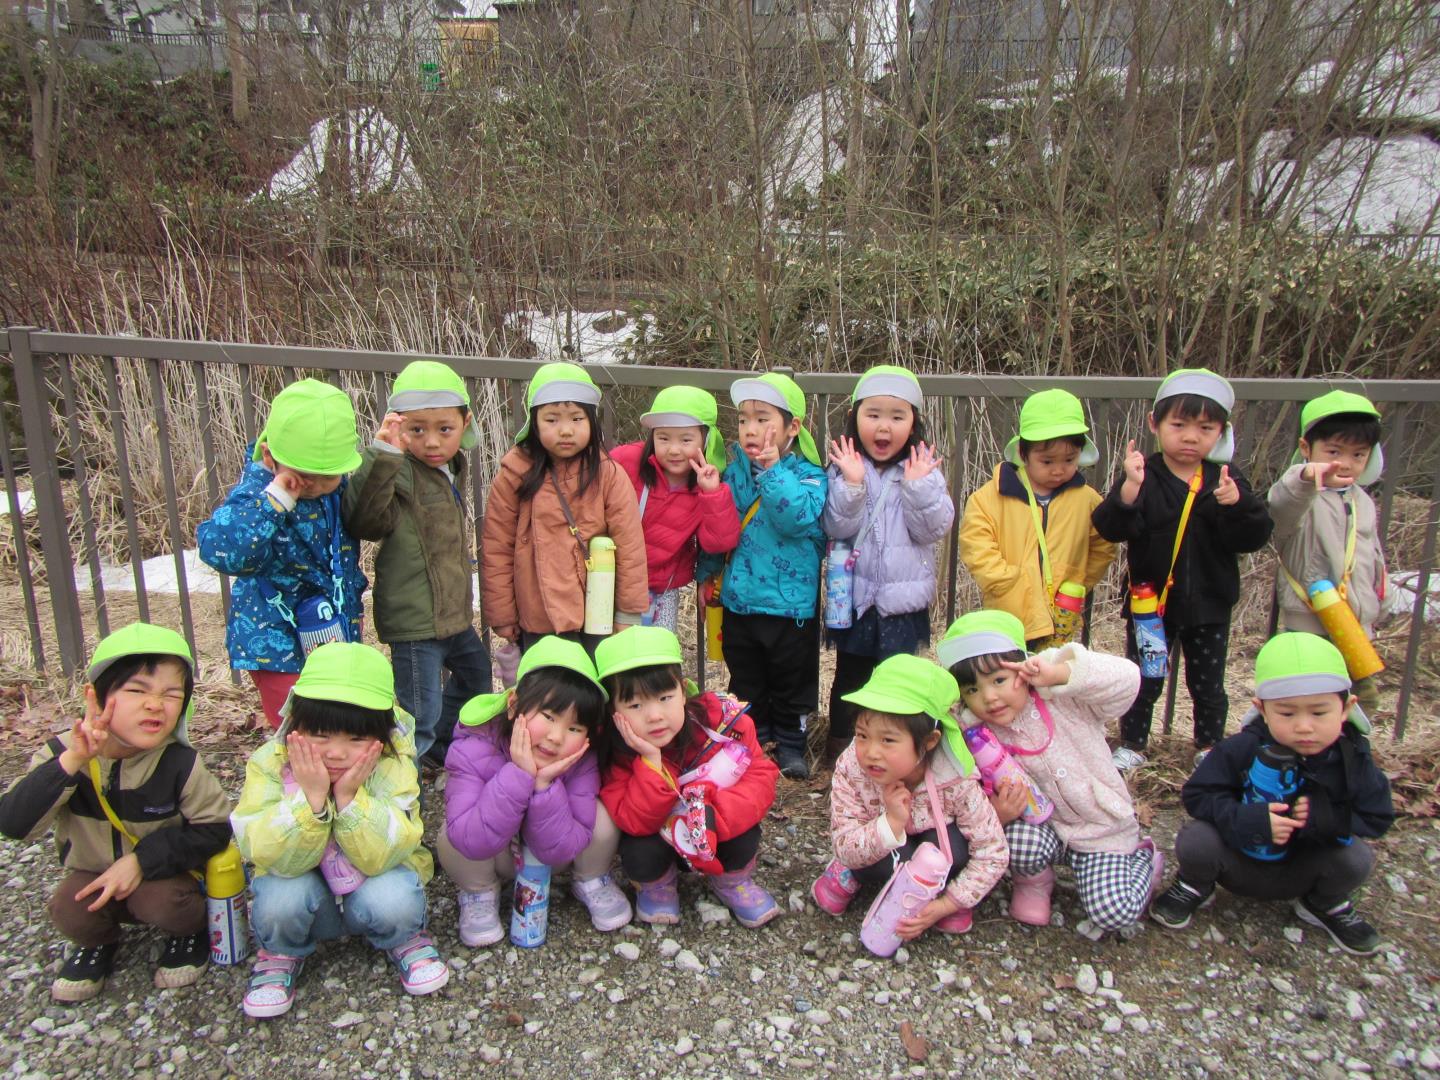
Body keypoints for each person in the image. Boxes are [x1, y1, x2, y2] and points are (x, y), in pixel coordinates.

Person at [0, 624, 232, 1003]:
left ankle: (188, 934)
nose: (155, 704)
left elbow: (215, 829)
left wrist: (141, 861)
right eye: (137, 691)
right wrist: (73, 761)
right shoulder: (62, 754)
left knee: (165, 903)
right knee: (69, 907)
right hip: (95, 874)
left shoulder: (178, 762)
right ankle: (99, 942)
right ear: (97, 695)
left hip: (163, 877)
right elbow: (13, 823)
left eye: (172, 694)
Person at [231, 642, 448, 1019]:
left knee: (396, 899)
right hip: (307, 898)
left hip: (370, 885)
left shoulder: (392, 763)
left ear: (382, 735)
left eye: (356, 738)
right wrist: (311, 802)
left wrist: (348, 800)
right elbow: (263, 849)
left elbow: (390, 851)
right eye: (321, 735)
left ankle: (404, 938)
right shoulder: (271, 764)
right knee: (279, 900)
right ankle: (281, 951)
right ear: (295, 725)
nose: (336, 752)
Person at [1153, 633, 1394, 955]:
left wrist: (1329, 819)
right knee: (1196, 840)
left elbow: (1378, 816)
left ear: (1346, 708)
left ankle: (1323, 902)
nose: (1304, 727)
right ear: (1262, 710)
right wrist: (1246, 818)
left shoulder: (1352, 758)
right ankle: (1195, 885)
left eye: (1319, 713)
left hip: (1306, 865)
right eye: (1287, 713)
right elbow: (1197, 796)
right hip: (1238, 859)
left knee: (1355, 859)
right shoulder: (1242, 748)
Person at [938, 610, 1162, 940]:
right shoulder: (975, 734)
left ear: (1024, 669)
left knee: (1113, 911)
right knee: (1016, 841)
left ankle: (1143, 861)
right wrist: (997, 812)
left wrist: (1060, 672)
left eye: (999, 680)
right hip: (1045, 828)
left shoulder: (1064, 698)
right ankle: (1034, 882)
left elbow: (1128, 680)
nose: (989, 697)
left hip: (1102, 830)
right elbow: (968, 788)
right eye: (973, 689)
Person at [1092, 368, 1274, 770]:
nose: (1191, 437)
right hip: (1150, 607)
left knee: (1207, 683)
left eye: (1205, 428)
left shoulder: (1226, 478)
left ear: (1221, 431)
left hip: (1210, 604)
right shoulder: (1145, 475)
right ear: (1154, 424)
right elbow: (1109, 527)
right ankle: (1133, 744)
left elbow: (1255, 535)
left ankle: (1209, 745)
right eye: (1179, 425)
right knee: (1145, 678)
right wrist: (1129, 489)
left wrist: (1238, 504)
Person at [343, 360, 491, 767]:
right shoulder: (399, 469)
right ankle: (405, 788)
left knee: (477, 678)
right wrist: (383, 455)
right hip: (415, 623)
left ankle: (436, 750)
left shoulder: (449, 467)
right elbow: (364, 521)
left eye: (444, 429)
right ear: (399, 427)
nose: (431, 442)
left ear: (464, 424)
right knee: (417, 716)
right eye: (417, 430)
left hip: (453, 618)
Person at [440, 636, 631, 946]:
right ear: (514, 705)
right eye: (549, 717)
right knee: (450, 833)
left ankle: (591, 877)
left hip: (554, 857)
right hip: (492, 854)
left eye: (574, 728)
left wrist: (544, 788)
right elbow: (470, 839)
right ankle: (479, 892)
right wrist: (518, 775)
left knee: (602, 818)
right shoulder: (476, 744)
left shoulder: (580, 760)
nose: (556, 737)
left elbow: (561, 849)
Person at [197, 379, 366, 729]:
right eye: (304, 476)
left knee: (339, 717)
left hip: (330, 626)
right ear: (269, 457)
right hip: (275, 640)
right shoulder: (255, 495)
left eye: (327, 477)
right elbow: (221, 551)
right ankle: (293, 762)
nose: (314, 486)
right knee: (297, 726)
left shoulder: (335, 489)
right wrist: (274, 502)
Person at [811, 654, 1008, 939]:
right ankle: (847, 873)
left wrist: (948, 903)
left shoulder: (955, 777)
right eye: (863, 735)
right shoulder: (852, 767)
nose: (871, 752)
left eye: (888, 740)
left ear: (929, 741)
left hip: (933, 842)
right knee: (885, 860)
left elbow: (993, 851)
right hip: (882, 843)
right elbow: (844, 842)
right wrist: (891, 823)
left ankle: (940, 890)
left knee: (956, 850)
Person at [596, 627, 782, 928]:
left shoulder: (723, 724)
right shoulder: (617, 755)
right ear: (612, 711)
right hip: (661, 839)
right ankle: (658, 885)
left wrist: (711, 816)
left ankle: (732, 881)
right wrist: (650, 761)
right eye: (635, 705)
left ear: (683, 691)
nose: (654, 716)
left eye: (665, 697)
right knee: (639, 848)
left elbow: (760, 776)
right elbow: (634, 820)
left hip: (715, 830)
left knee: (744, 834)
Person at [822, 365, 955, 769]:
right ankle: (842, 754)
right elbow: (835, 527)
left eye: (897, 416)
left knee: (899, 680)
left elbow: (933, 529)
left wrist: (919, 486)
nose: (884, 426)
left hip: (902, 604)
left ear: (913, 423)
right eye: (873, 414)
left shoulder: (923, 468)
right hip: (857, 600)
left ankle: (898, 755)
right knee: (850, 679)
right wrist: (852, 485)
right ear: (855, 418)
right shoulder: (844, 465)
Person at [702, 372, 828, 779]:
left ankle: (791, 743)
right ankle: (755, 740)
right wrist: (708, 572)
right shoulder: (734, 471)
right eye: (743, 419)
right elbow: (720, 527)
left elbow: (797, 518)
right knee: (747, 677)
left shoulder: (810, 475)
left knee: (791, 680)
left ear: (792, 427)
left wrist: (773, 470)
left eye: (762, 419)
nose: (750, 429)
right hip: (741, 598)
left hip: (790, 604)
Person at [482, 362, 648, 654]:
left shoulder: (608, 473)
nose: (566, 430)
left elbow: (629, 545)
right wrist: (503, 615)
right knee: (549, 681)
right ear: (534, 422)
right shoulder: (514, 473)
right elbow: (498, 547)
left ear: (591, 421)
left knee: (597, 680)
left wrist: (627, 612)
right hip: (537, 614)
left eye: (577, 418)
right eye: (552, 420)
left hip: (597, 611)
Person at [960, 387, 1115, 650]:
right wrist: (1008, 584)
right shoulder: (988, 499)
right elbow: (976, 546)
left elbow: (1104, 545)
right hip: (1008, 614)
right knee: (1008, 672)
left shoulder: (1087, 500)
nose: (1059, 470)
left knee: (1052, 674)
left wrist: (1078, 581)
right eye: (1047, 461)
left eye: (1069, 460)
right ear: (1023, 454)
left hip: (1062, 615)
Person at [1268, 390, 1390, 716]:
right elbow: (1281, 504)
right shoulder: (1302, 496)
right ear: (1306, 448)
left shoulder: (1362, 501)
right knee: (1312, 701)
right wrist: (1306, 476)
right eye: (1334, 451)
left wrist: (1381, 597)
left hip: (1354, 625)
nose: (1345, 463)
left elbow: (1373, 555)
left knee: (1359, 705)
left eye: (1358, 454)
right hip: (1311, 622)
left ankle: (1351, 747)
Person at [609, 385, 740, 633]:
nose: (674, 449)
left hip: (663, 590)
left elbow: (720, 542)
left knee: (661, 651)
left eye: (686, 439)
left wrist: (712, 494)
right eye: (663, 438)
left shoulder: (708, 486)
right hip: (617, 584)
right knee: (616, 651)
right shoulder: (626, 461)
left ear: (707, 440)